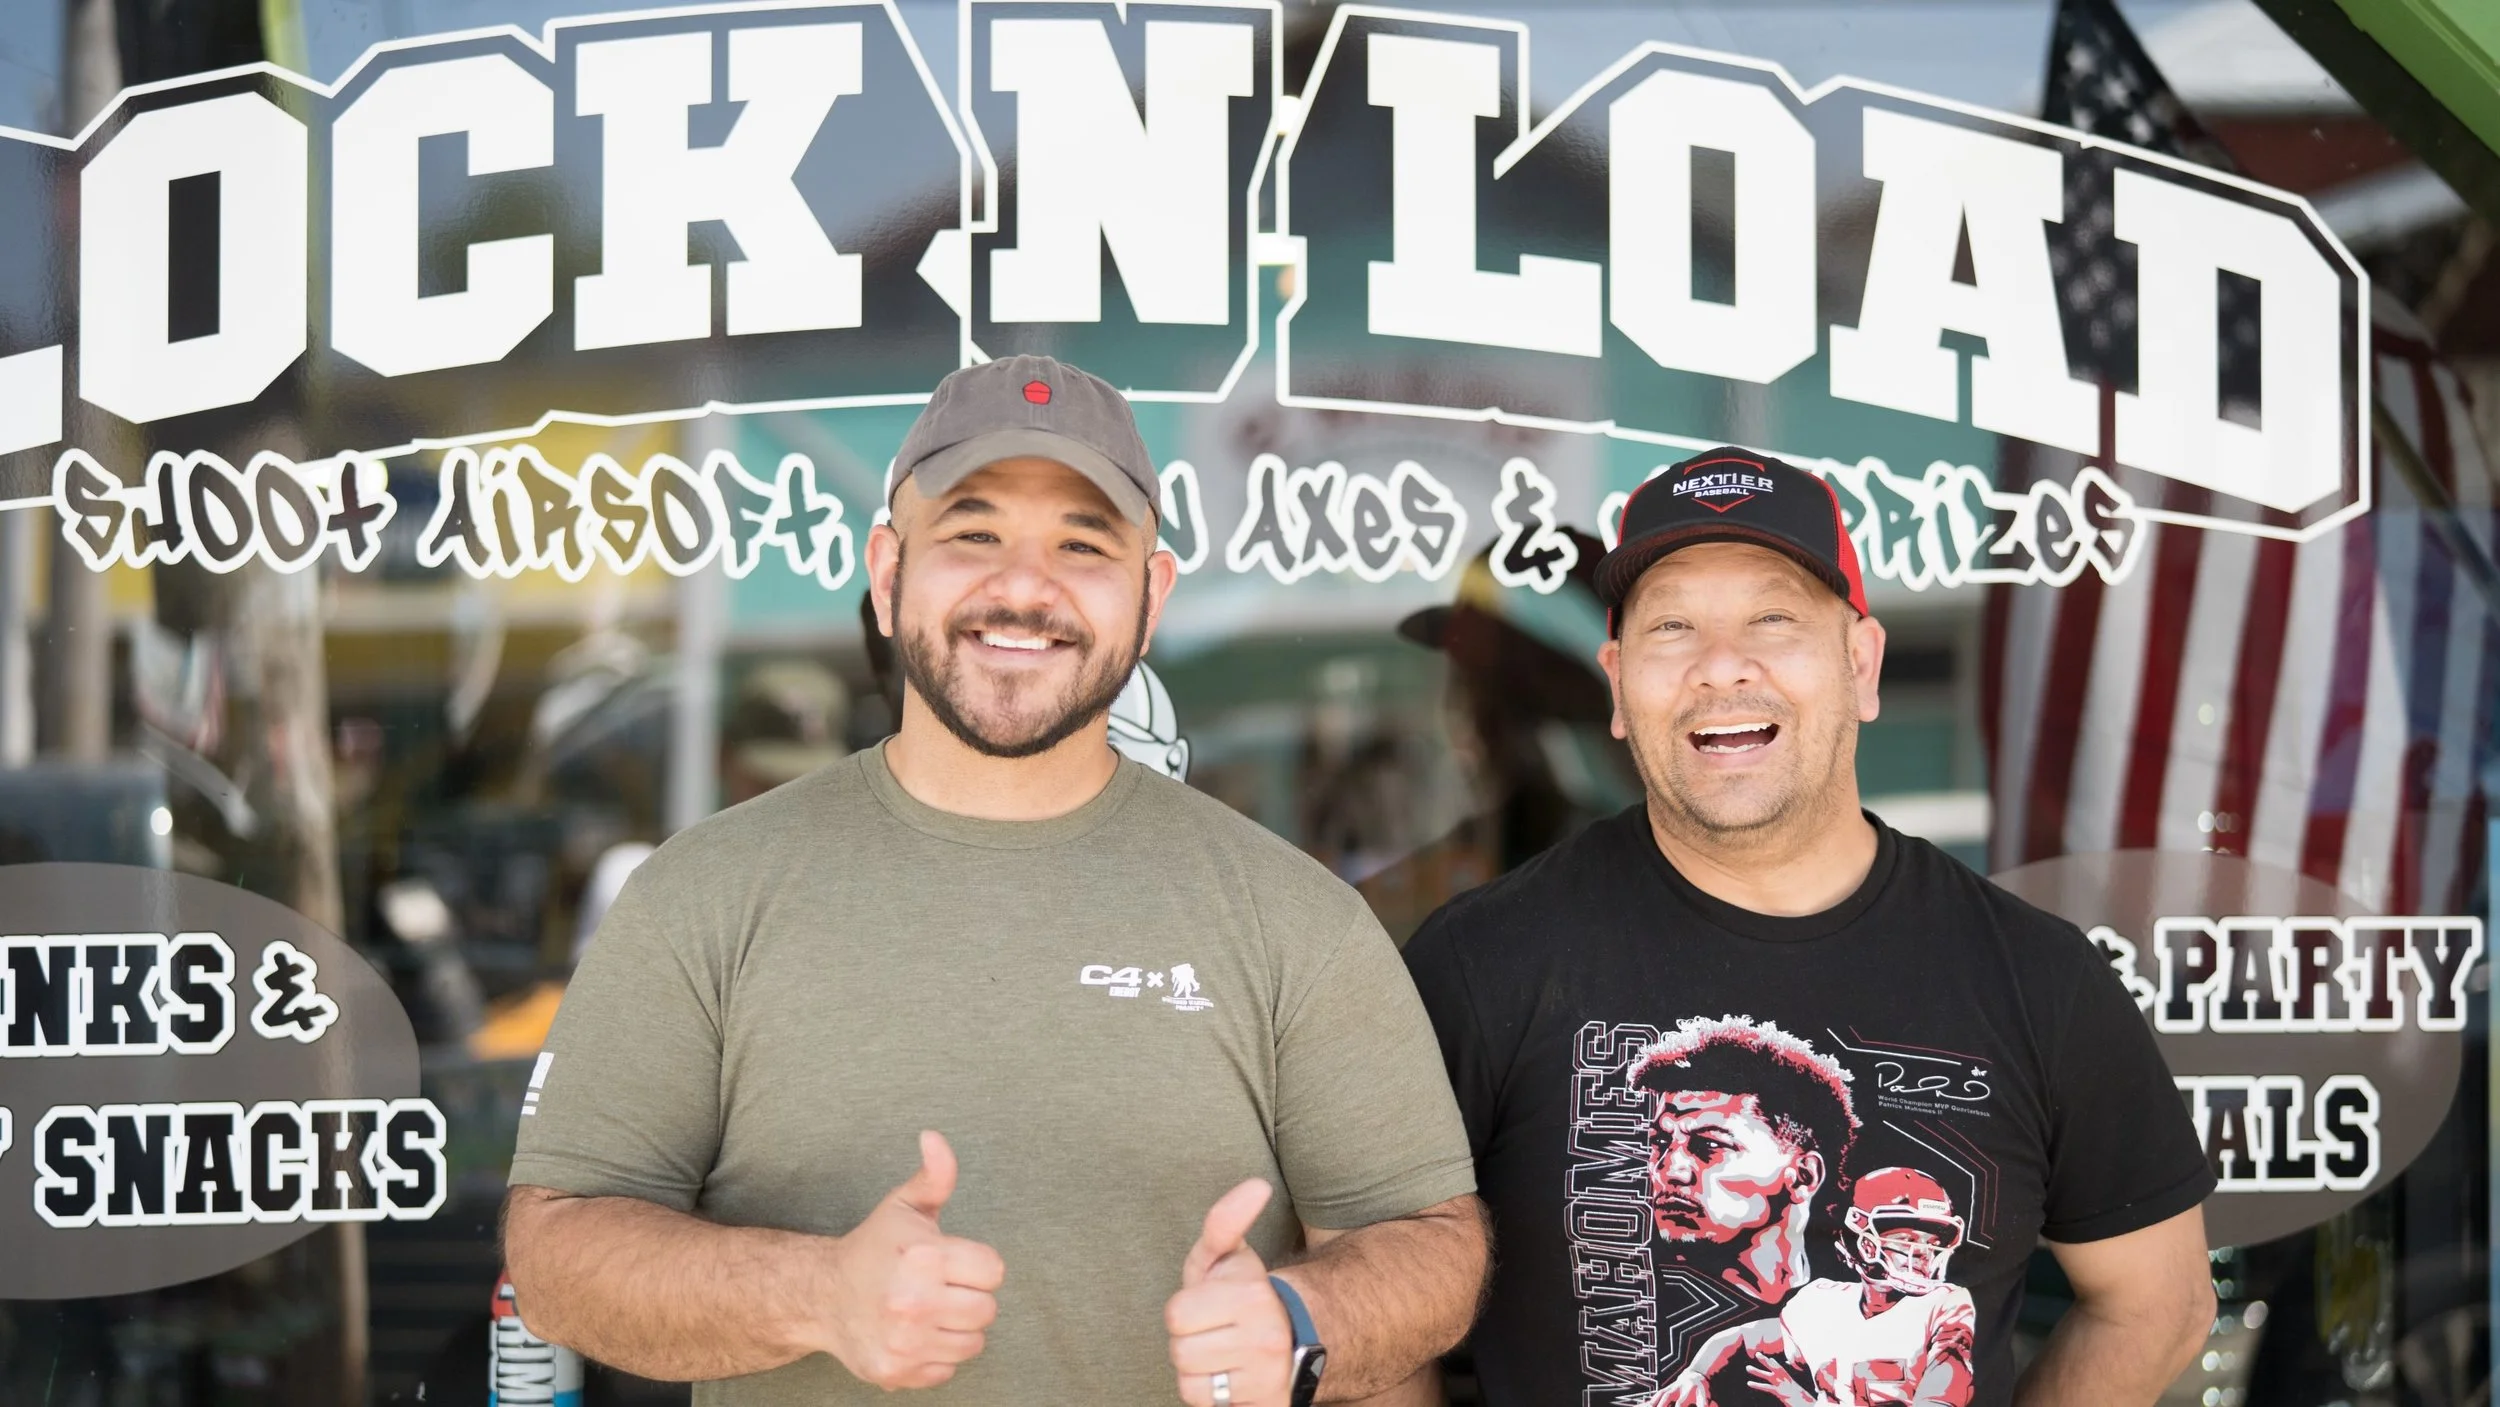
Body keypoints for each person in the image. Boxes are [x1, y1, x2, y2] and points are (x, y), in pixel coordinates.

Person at [501, 355, 1488, 1407]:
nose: (1023, 588)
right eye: (972, 534)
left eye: (1083, 544)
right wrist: (817, 1293)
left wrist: (1304, 1321)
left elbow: (1429, 1243)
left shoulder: (1293, 918)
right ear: (888, 574)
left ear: (1151, 596)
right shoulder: (703, 894)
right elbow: (557, 1256)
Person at [1402, 447, 2215, 1407]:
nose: (1721, 665)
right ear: (1617, 684)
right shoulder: (1480, 966)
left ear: (1860, 664)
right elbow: (1380, 1323)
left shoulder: (2037, 980)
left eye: (1773, 619)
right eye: (1672, 627)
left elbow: (2158, 1302)